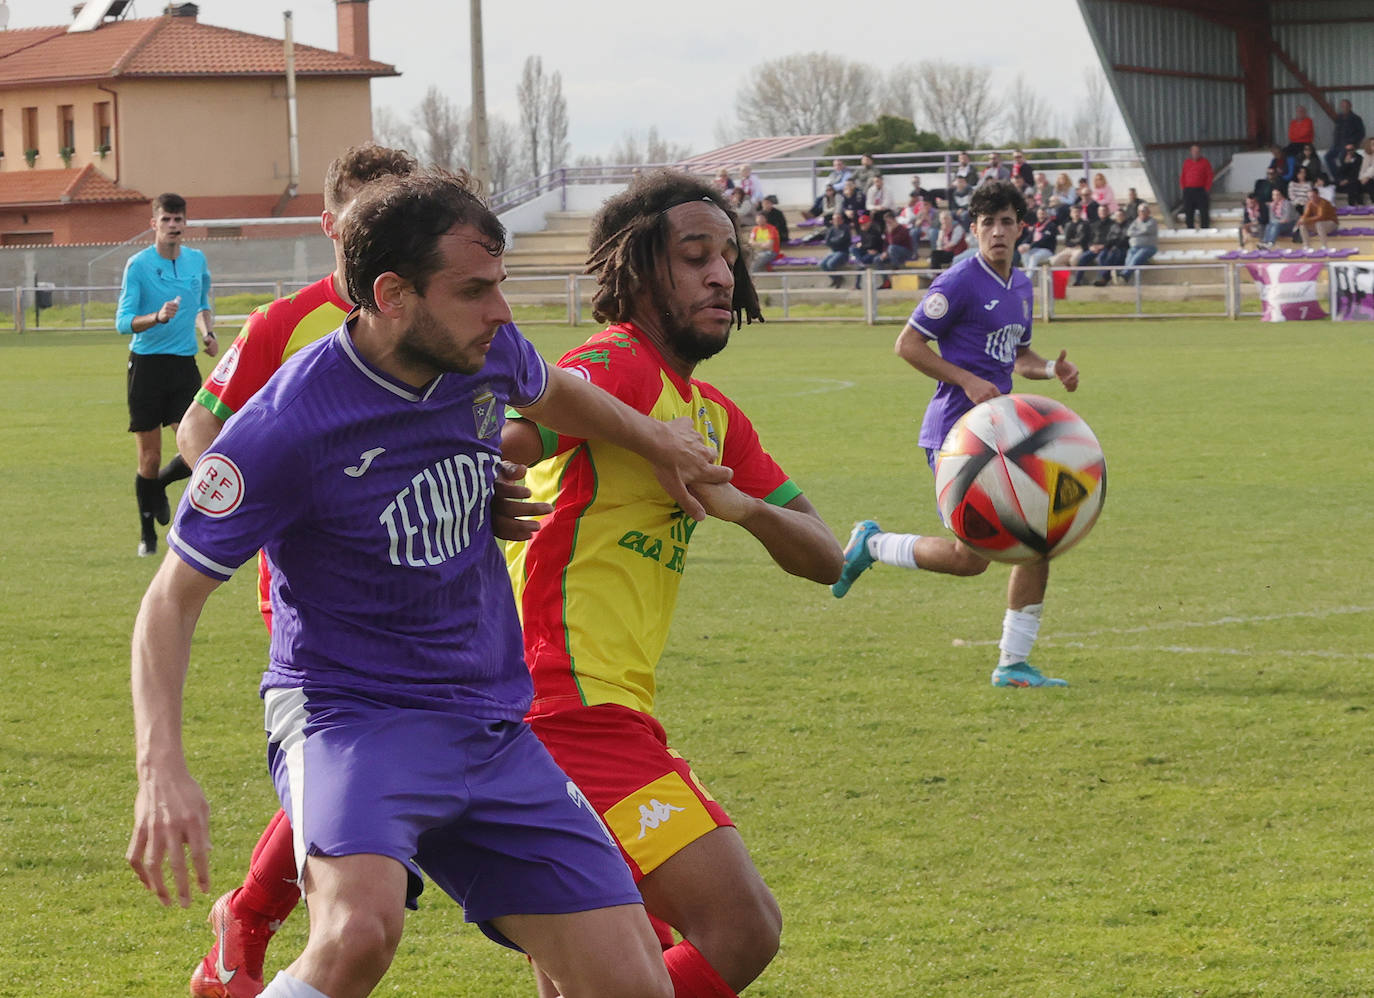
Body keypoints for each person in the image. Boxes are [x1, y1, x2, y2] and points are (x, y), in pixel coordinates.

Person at [126, 169, 736, 998]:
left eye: (502, 286)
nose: (502, 312)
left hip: (490, 720)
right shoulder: (287, 425)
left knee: (636, 984)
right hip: (352, 712)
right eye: (475, 290)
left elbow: (560, 393)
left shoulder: (487, 355)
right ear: (392, 294)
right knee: (359, 930)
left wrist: (659, 442)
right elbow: (171, 598)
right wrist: (162, 766)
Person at [503, 169, 843, 998]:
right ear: (639, 271)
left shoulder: (715, 416)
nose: (723, 275)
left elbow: (826, 556)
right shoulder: (612, 364)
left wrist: (744, 511)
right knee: (740, 924)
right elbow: (511, 439)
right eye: (696, 257)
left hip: (605, 708)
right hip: (563, 703)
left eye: (730, 256)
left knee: (595, 967)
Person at [173, 144, 426, 998]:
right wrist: (251, 518)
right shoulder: (284, 322)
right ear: (332, 226)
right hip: (314, 591)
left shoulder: (434, 319)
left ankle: (248, 915)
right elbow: (198, 430)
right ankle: (253, 916)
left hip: (425, 576)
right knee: (347, 742)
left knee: (375, 759)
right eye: (366, 215)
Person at [829, 179, 1080, 689]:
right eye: (987, 223)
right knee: (1011, 548)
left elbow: (1020, 357)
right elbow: (907, 345)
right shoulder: (960, 281)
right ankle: (874, 547)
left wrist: (1052, 368)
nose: (998, 232)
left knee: (1001, 553)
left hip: (1004, 435)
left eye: (1006, 221)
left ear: (1020, 227)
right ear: (974, 230)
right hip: (956, 438)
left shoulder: (1022, 286)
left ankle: (1011, 664)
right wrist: (967, 380)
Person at [116, 192, 216, 558]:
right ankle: (148, 536)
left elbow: (202, 305)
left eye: (179, 219)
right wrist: (156, 317)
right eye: (166, 220)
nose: (173, 226)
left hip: (183, 366)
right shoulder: (138, 265)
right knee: (150, 458)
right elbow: (122, 322)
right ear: (154, 224)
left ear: (185, 223)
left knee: (201, 450)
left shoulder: (196, 261)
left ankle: (158, 486)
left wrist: (207, 333)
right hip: (146, 367)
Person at [1324, 99, 1365, 181]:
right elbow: (1336, 131)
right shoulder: (1339, 118)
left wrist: (1352, 143)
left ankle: (1346, 179)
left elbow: (1361, 133)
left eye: (1346, 106)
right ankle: (1338, 178)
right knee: (1328, 157)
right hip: (1337, 144)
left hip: (1349, 145)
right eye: (1342, 106)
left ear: (1350, 107)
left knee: (1342, 158)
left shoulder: (1356, 118)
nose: (1344, 108)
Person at [1120, 202, 1158, 282]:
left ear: (1148, 212)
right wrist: (1140, 232)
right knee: (1129, 256)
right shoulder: (1136, 221)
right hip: (1135, 247)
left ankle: (1125, 274)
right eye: (1140, 211)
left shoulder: (1152, 221)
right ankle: (1125, 275)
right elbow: (1129, 232)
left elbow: (1146, 230)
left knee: (1137, 256)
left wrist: (1136, 233)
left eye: (1144, 211)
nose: (1142, 213)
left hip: (1149, 247)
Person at [820, 210, 854, 288]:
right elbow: (827, 241)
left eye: (837, 219)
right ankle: (835, 278)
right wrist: (834, 241)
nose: (836, 221)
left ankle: (839, 279)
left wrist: (833, 241)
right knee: (822, 264)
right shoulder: (831, 229)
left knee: (830, 264)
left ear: (841, 220)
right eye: (834, 219)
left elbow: (841, 240)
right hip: (833, 251)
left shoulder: (846, 228)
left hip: (843, 252)